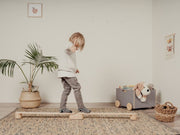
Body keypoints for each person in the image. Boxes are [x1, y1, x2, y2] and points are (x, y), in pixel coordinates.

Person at [58, 32, 91, 113]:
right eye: (77, 45)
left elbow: (70, 60)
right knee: (77, 88)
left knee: (66, 89)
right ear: (74, 38)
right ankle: (81, 107)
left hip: (63, 72)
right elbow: (68, 48)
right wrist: (72, 47)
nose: (77, 48)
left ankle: (62, 108)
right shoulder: (69, 44)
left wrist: (75, 69)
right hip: (67, 72)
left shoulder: (71, 47)